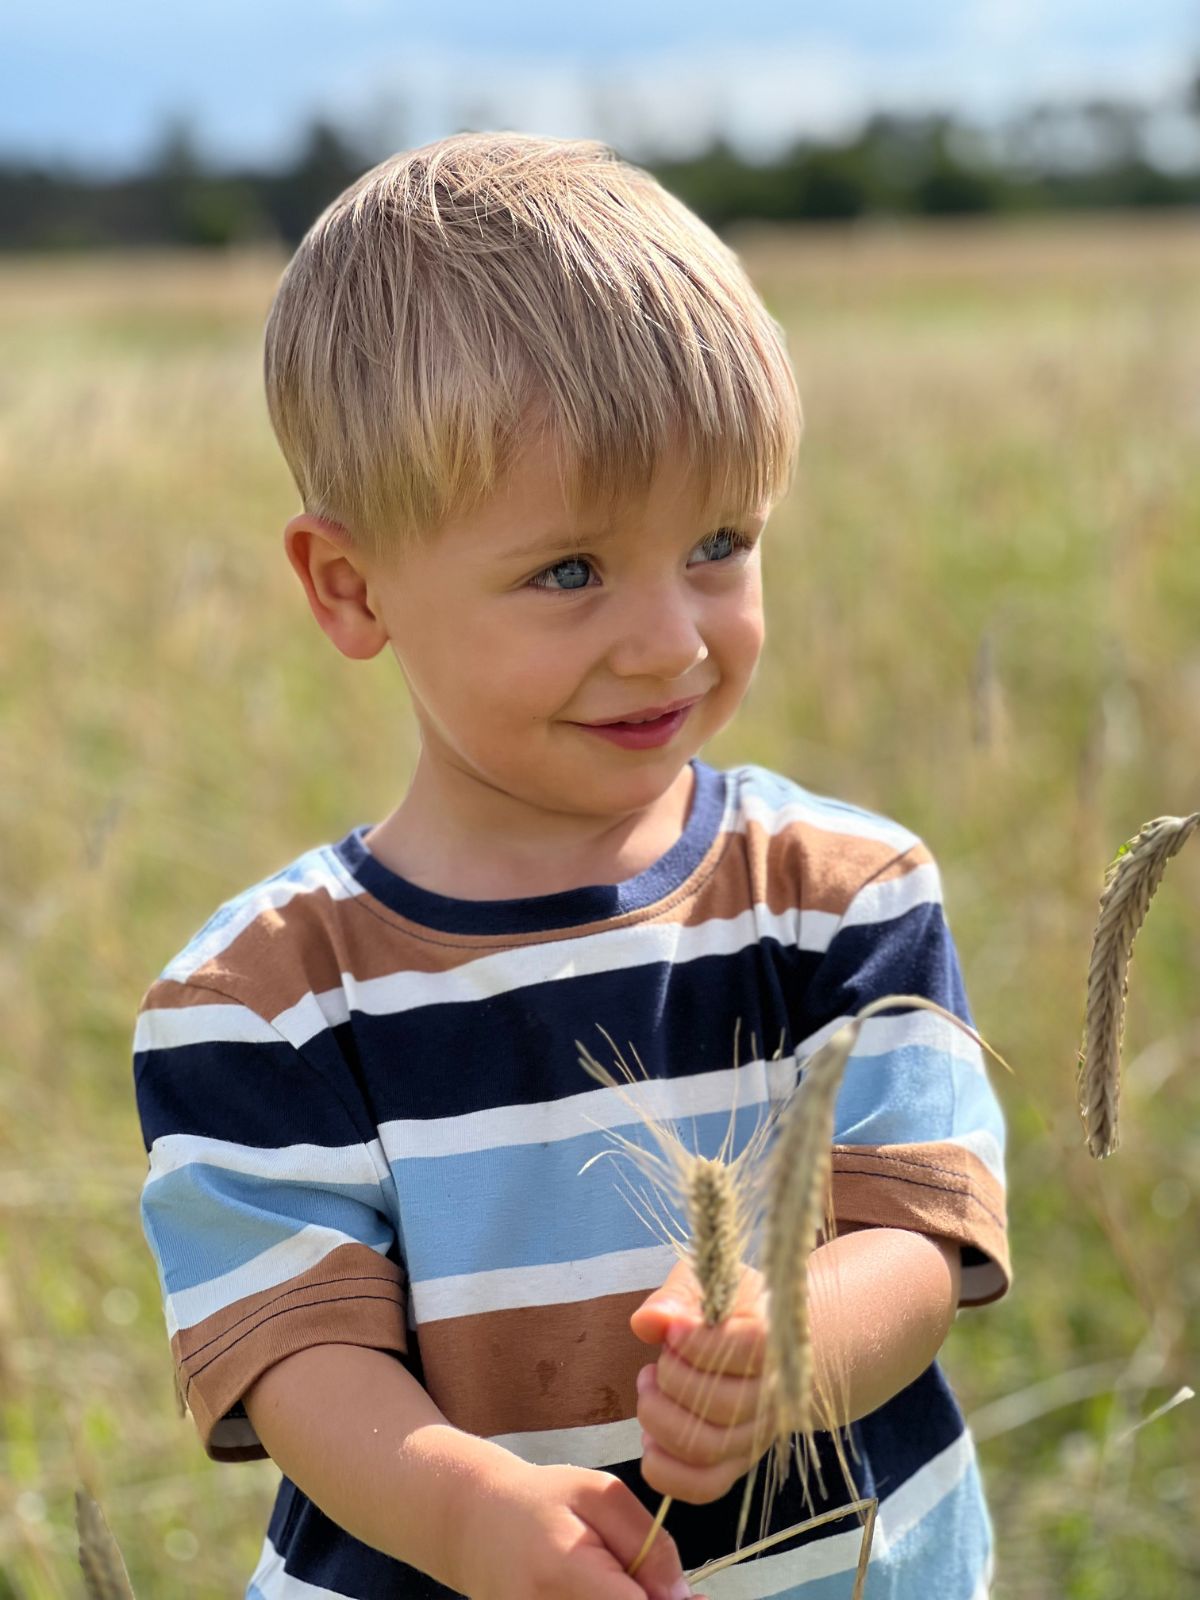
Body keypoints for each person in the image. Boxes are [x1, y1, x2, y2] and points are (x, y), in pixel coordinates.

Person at [132, 131, 1011, 1600]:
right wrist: (473, 1512)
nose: (671, 639)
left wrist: (792, 1341)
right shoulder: (262, 998)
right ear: (349, 588)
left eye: (720, 544)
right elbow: (296, 1352)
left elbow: (913, 1236)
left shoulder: (841, 896)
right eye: (570, 571)